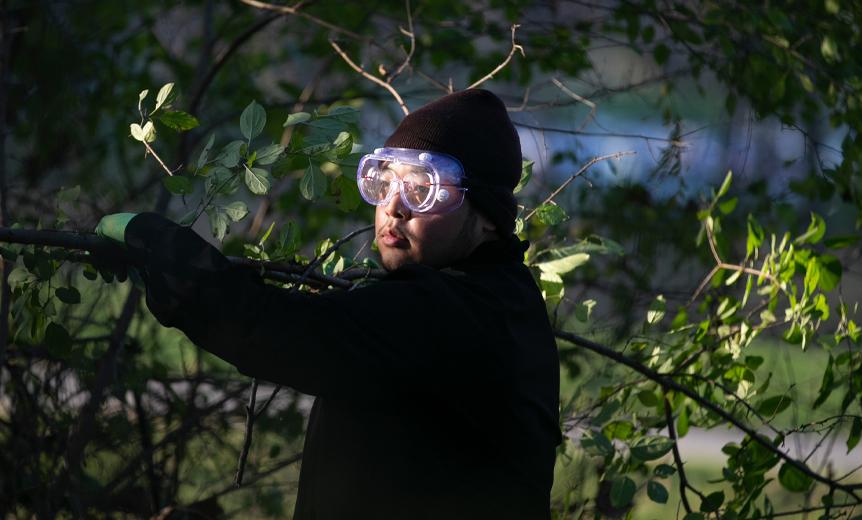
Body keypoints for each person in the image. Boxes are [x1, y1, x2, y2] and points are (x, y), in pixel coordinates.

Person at [96, 89, 561, 519]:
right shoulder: (503, 300)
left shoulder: (455, 315)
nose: (394, 207)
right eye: (383, 183)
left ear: (487, 219)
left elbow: (274, 329)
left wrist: (155, 243)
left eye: (423, 189)